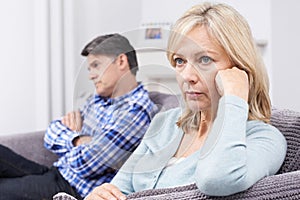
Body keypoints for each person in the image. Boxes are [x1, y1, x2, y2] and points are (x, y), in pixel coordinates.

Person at [84, 3, 287, 199]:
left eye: (205, 59)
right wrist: (101, 194)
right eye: (180, 61)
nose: (187, 76)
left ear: (239, 69)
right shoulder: (165, 122)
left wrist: (234, 97)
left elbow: (215, 179)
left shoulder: (265, 139)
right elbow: (119, 188)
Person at [0, 33, 158, 199]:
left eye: (96, 65)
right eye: (90, 69)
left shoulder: (136, 111)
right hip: (57, 171)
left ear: (121, 61)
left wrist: (72, 139)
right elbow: (52, 131)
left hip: (72, 188)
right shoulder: (98, 99)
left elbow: (86, 164)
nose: (91, 75)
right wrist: (79, 140)